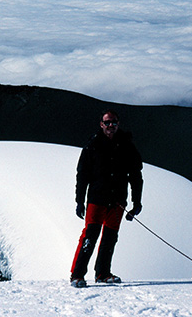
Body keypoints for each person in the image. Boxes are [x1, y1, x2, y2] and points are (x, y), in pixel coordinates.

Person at [70, 110, 143, 288]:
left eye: (114, 122)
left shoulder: (127, 146)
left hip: (117, 201)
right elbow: (82, 175)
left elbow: (135, 176)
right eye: (107, 122)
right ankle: (77, 275)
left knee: (110, 237)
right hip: (97, 199)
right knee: (90, 236)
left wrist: (137, 202)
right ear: (101, 124)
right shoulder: (92, 146)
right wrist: (79, 201)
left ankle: (103, 273)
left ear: (118, 124)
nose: (111, 126)